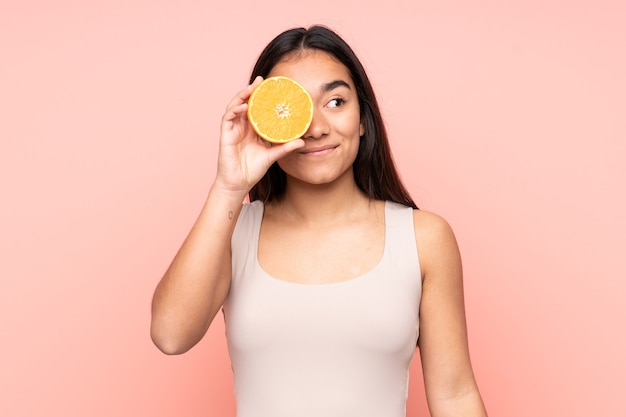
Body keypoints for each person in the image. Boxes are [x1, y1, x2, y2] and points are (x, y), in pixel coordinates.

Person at [151, 25, 487, 417]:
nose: (316, 129)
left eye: (335, 102)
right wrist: (229, 186)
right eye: (295, 110)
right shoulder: (232, 232)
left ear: (363, 118)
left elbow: (455, 394)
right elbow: (170, 335)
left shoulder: (423, 238)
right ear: (264, 122)